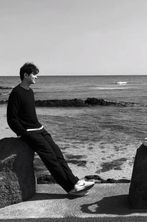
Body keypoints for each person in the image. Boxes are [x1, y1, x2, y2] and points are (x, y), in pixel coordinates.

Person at [7, 62, 94, 196]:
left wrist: (39, 127)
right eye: (34, 74)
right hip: (30, 133)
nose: (37, 77)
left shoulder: (30, 92)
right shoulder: (16, 93)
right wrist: (23, 134)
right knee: (50, 158)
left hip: (39, 128)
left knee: (58, 154)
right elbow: (11, 118)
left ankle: (75, 182)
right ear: (25, 75)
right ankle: (70, 188)